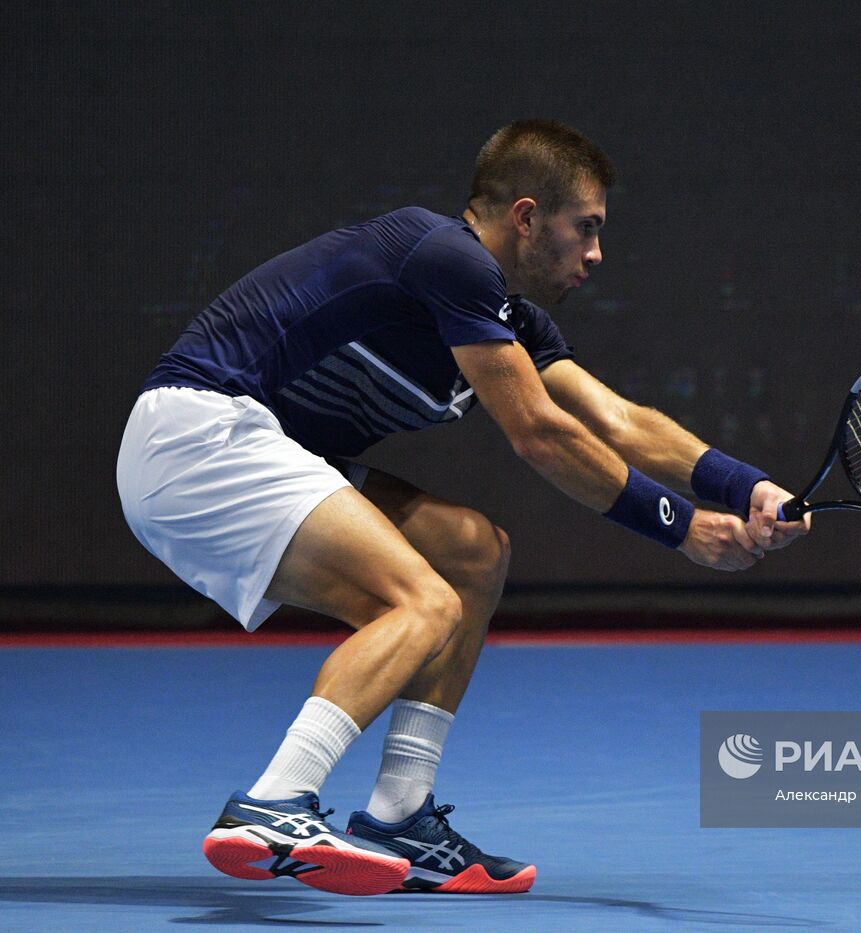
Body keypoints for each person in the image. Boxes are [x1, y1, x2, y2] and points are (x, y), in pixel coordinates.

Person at [115, 119, 810, 897]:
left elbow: (613, 420)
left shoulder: (513, 319)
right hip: (197, 436)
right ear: (524, 216)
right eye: (586, 228)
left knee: (474, 552)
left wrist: (743, 486)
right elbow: (542, 435)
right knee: (421, 601)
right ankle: (274, 800)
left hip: (262, 450)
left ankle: (397, 813)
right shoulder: (443, 255)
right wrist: (679, 529)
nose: (596, 253)